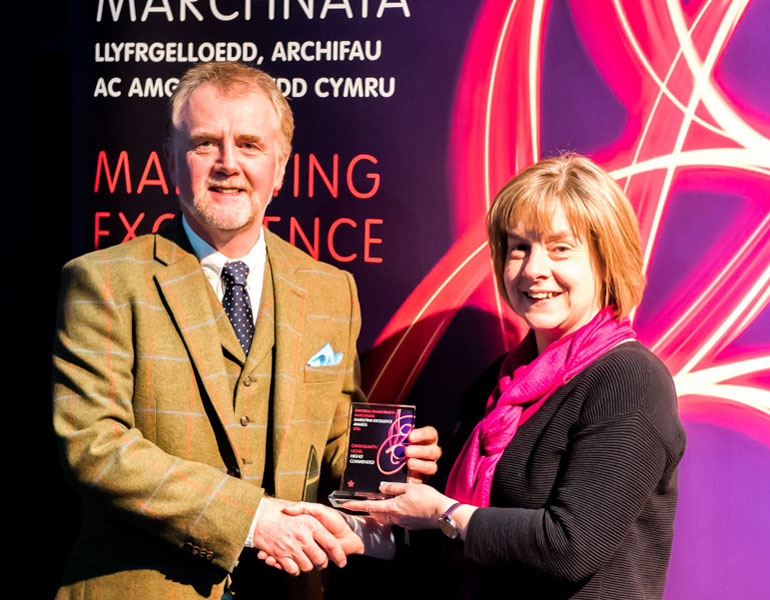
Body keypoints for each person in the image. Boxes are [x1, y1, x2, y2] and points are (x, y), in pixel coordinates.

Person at [52, 61, 439, 600]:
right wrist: (250, 518)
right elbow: (95, 444)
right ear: (171, 160)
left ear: (280, 167)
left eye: (250, 145)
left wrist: (381, 467)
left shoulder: (331, 290)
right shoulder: (104, 281)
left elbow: (329, 439)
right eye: (205, 143)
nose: (227, 164)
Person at [327, 154, 686, 599]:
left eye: (560, 248)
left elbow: (570, 545)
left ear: (606, 260)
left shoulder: (629, 380)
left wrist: (444, 511)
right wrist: (366, 536)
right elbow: (457, 545)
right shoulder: (496, 387)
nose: (534, 268)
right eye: (519, 247)